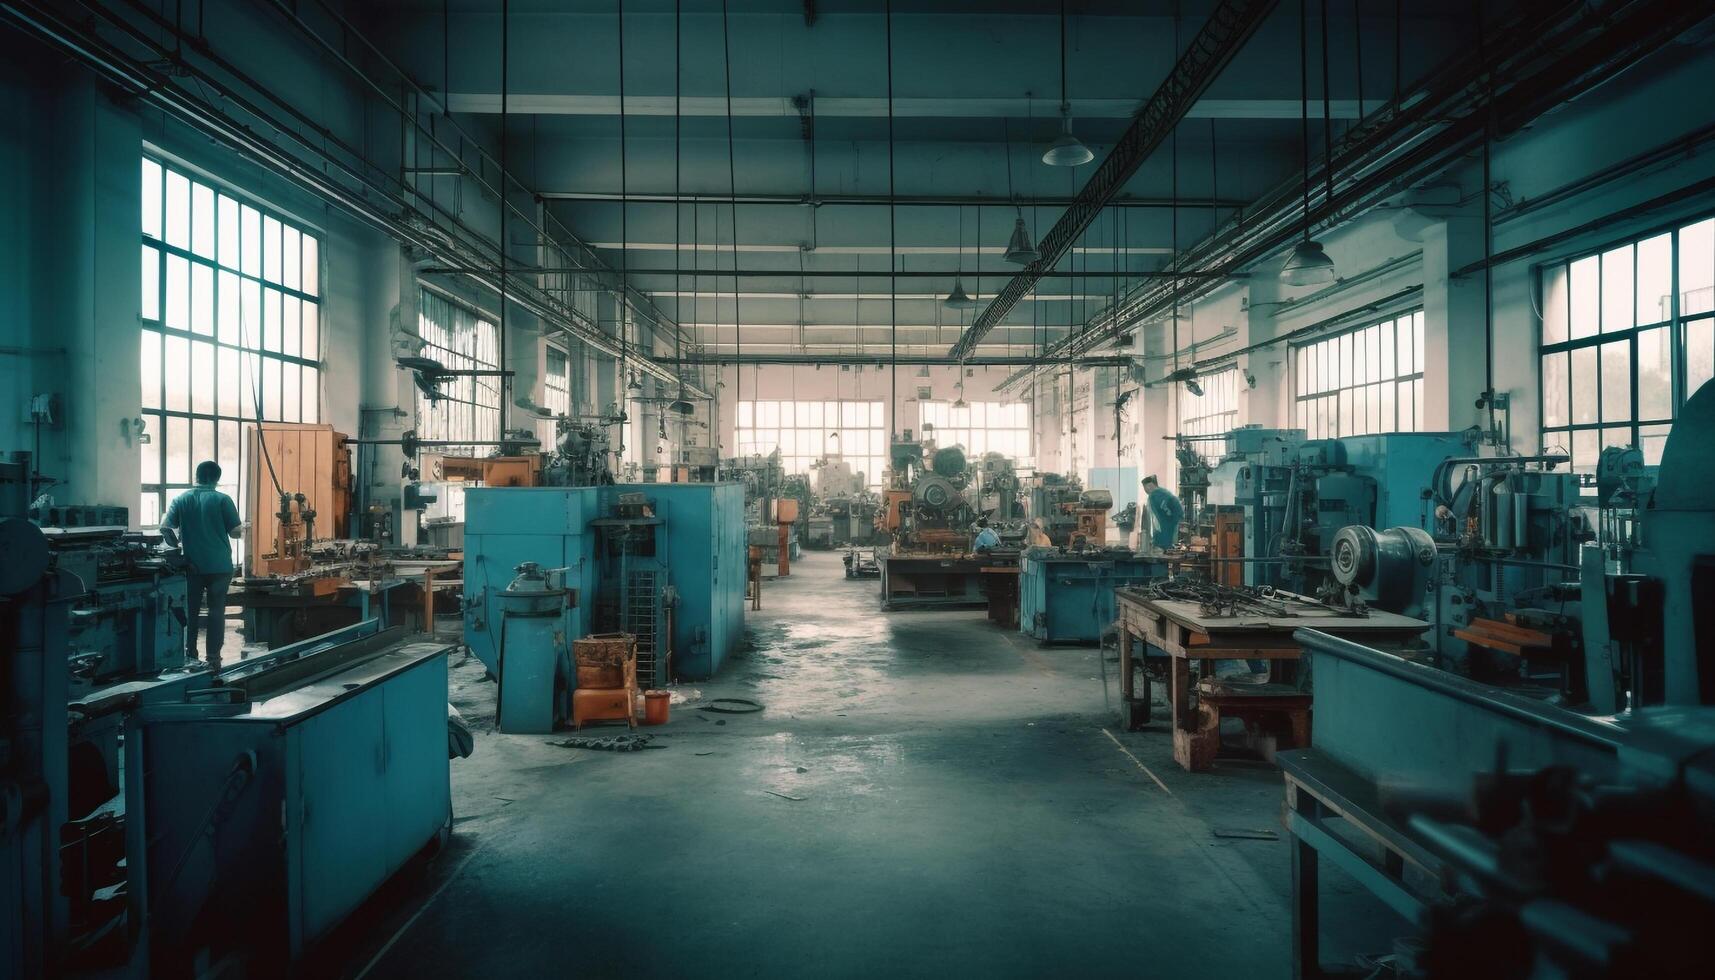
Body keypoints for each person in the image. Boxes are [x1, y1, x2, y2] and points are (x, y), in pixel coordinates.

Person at [161, 461, 243, 674]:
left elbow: (165, 528)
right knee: (217, 612)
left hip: (192, 566)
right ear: (217, 478)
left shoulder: (181, 499)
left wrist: (177, 546)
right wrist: (244, 528)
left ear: (196, 475)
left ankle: (190, 654)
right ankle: (213, 659)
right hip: (219, 566)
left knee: (191, 612)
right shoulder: (223, 500)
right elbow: (235, 532)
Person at [1142, 475, 1183, 552]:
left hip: (1164, 535)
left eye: (1144, 488)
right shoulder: (1164, 492)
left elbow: (1154, 520)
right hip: (1171, 530)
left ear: (1149, 486)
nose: (1145, 490)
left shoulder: (1154, 495)